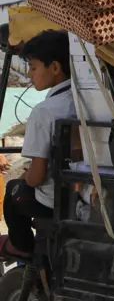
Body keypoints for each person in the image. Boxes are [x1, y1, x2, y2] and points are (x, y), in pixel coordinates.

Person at [0, 30, 76, 260]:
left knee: (13, 190)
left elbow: (37, 177)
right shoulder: (83, 100)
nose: (31, 75)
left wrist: (25, 178)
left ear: (54, 68)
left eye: (34, 68)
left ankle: (21, 246)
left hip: (54, 201)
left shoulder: (44, 112)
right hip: (76, 195)